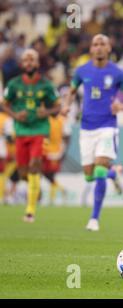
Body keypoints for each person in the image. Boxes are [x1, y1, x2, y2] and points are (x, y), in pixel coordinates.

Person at [63, 34, 123, 231]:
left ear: (109, 48)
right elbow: (71, 91)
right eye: (95, 44)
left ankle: (94, 219)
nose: (99, 47)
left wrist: (122, 105)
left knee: (100, 168)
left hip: (107, 126)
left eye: (103, 43)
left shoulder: (118, 73)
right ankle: (114, 174)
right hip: (86, 127)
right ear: (91, 49)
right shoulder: (81, 70)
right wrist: (66, 106)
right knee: (89, 175)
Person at [2, 49, 61, 222]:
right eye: (26, 59)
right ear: (22, 64)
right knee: (22, 173)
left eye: (32, 59)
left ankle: (30, 210)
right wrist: (15, 115)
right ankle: (36, 188)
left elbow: (58, 107)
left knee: (35, 163)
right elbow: (4, 104)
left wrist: (47, 111)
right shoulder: (14, 84)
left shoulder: (46, 85)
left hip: (39, 130)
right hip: (21, 131)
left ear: (37, 63)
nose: (29, 62)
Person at [42, 114, 70, 205]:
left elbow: (66, 137)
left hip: (54, 152)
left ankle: (53, 198)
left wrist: (63, 152)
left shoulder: (62, 120)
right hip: (48, 151)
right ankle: (61, 191)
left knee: (50, 176)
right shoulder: (49, 119)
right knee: (49, 175)